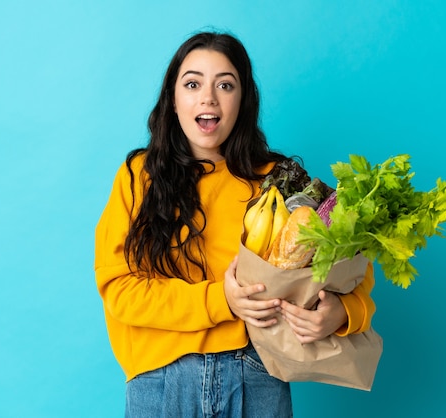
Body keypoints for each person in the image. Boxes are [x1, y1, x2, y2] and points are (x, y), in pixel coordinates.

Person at [94, 31, 376, 417]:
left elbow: (350, 269)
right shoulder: (138, 176)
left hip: (258, 375)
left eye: (225, 85)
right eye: (192, 83)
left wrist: (341, 314)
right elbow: (120, 291)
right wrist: (221, 300)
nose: (208, 97)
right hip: (161, 379)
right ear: (173, 100)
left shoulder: (280, 181)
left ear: (242, 102)